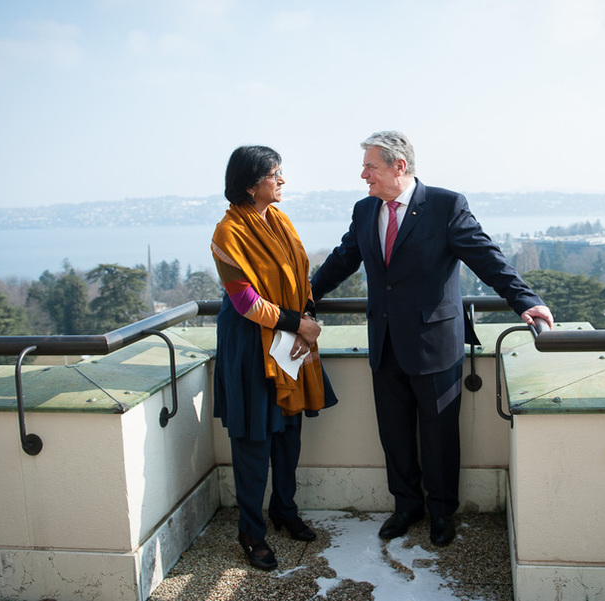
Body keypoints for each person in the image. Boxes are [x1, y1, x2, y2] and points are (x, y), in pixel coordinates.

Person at [310, 131, 553, 547]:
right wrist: (304, 297)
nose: (362, 174)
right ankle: (406, 507)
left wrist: (525, 300)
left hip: (435, 344)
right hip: (384, 341)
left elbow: (486, 256)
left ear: (398, 166)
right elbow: (342, 260)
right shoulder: (366, 210)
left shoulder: (445, 205)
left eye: (370, 166)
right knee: (395, 432)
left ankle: (442, 512)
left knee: (440, 436)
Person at [211, 145, 337, 570]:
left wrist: (307, 317)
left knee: (288, 433)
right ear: (250, 184)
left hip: (287, 341)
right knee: (253, 439)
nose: (282, 180)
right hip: (249, 346)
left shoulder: (280, 220)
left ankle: (285, 510)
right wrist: (297, 324)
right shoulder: (227, 233)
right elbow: (245, 303)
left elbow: (301, 277)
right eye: (274, 174)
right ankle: (251, 531)